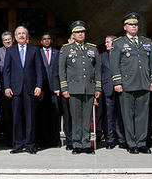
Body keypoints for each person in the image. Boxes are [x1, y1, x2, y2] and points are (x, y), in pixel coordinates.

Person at [110, 12, 152, 154]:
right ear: (125, 27)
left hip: (144, 83)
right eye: (131, 25)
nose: (134, 27)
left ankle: (142, 142)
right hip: (127, 84)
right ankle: (131, 143)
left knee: (142, 115)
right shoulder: (118, 43)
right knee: (127, 115)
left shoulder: (146, 42)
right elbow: (114, 65)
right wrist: (117, 82)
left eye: (136, 25)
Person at [59, 21, 101, 154]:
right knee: (76, 117)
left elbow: (98, 70)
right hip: (73, 88)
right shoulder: (66, 49)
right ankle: (77, 144)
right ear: (73, 34)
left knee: (87, 117)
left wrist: (97, 88)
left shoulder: (92, 48)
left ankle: (87, 143)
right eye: (77, 32)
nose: (80, 34)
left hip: (89, 87)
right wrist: (64, 88)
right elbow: (62, 70)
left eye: (82, 32)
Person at [3, 26, 43, 154]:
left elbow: (39, 70)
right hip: (15, 89)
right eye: (19, 34)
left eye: (23, 33)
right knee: (17, 117)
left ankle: (30, 144)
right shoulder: (10, 51)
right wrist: (7, 86)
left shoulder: (35, 50)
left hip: (31, 88)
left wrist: (39, 86)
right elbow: (7, 71)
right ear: (15, 37)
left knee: (30, 117)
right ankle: (18, 144)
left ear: (27, 36)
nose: (21, 35)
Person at [100, 35, 126, 149]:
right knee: (109, 116)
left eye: (108, 42)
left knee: (121, 115)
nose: (106, 44)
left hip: (121, 89)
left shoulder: (123, 55)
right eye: (105, 42)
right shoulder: (102, 56)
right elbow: (99, 73)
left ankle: (122, 139)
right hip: (108, 89)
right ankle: (110, 140)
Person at [38, 33, 62, 149]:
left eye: (48, 39)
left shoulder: (57, 53)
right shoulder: (37, 53)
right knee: (43, 115)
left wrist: (58, 86)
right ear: (41, 41)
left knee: (55, 115)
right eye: (44, 39)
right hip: (42, 89)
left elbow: (60, 71)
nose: (46, 41)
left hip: (54, 89)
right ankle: (43, 140)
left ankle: (55, 140)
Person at [0, 31, 14, 145]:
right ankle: (9, 138)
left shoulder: (18, 49)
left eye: (9, 39)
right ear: (2, 42)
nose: (7, 41)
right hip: (4, 86)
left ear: (13, 39)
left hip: (17, 85)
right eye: (5, 40)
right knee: (7, 114)